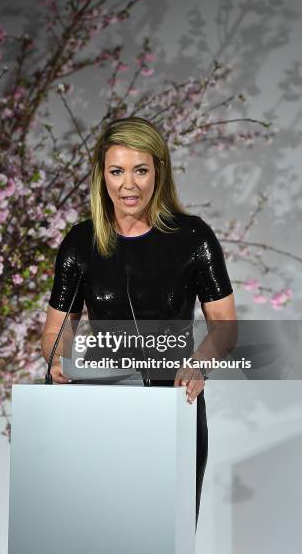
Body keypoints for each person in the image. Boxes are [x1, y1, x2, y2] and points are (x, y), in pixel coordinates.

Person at [41, 116, 237, 530]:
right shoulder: (80, 242)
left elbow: (225, 327)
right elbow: (57, 330)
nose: (128, 185)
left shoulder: (194, 238)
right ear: (102, 175)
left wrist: (199, 362)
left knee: (163, 534)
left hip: (174, 406)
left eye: (140, 170)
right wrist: (59, 359)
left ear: (158, 172)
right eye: (116, 171)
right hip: (100, 408)